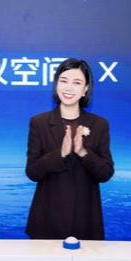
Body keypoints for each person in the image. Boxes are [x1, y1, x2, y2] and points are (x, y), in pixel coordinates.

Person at [25, 58, 114, 241]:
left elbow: (105, 174)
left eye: (77, 83)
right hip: (47, 221)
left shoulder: (99, 124)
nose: (68, 88)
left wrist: (83, 152)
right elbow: (32, 172)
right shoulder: (39, 123)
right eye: (63, 81)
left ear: (86, 89)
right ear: (56, 84)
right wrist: (60, 154)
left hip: (86, 221)